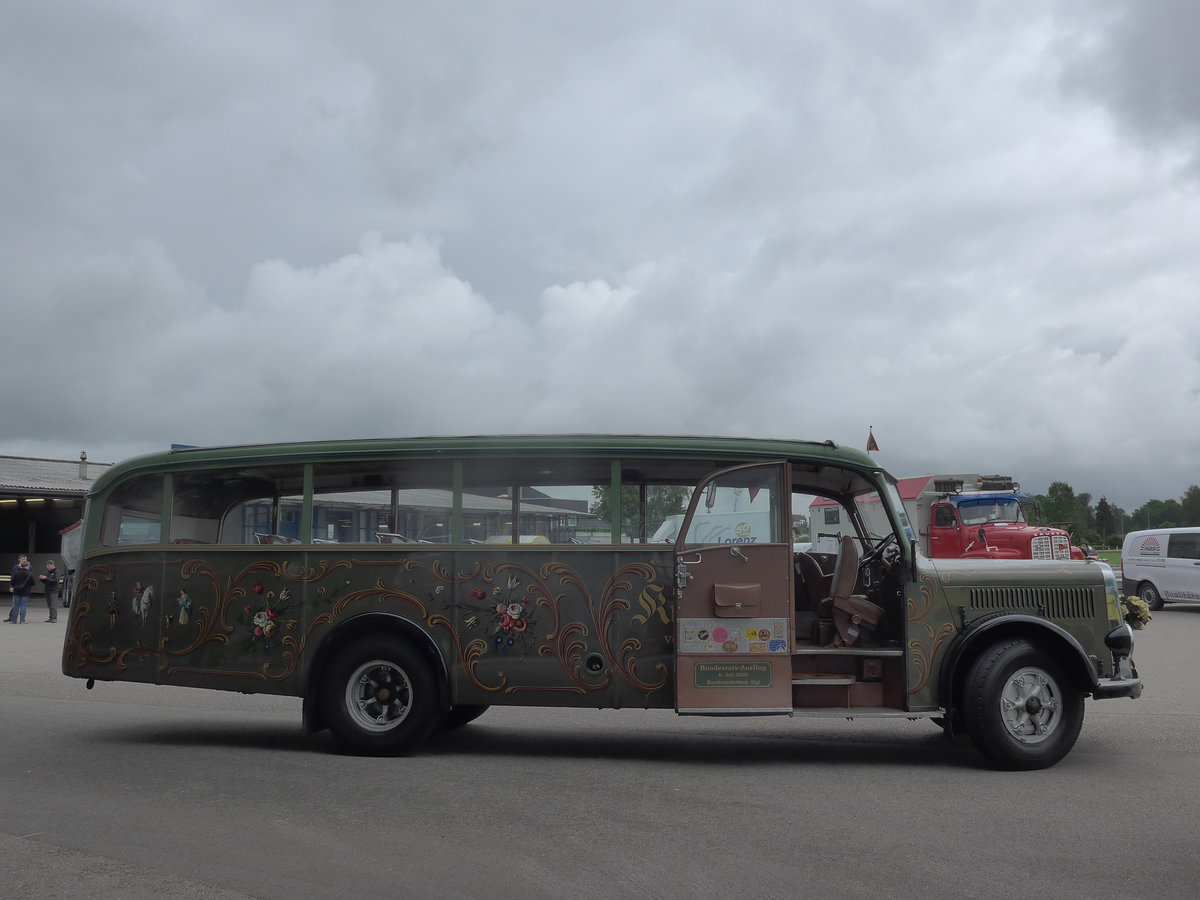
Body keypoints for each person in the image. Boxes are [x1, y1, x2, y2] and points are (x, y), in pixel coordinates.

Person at [4, 554, 36, 624]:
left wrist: (13, 586)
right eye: (23, 559)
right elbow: (33, 582)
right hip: (25, 591)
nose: (25, 560)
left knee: (16, 606)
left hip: (17, 590)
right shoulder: (28, 573)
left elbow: (12, 580)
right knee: (23, 606)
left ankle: (13, 621)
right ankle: (22, 621)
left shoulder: (17, 573)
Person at [39, 559, 61, 623]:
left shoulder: (57, 571)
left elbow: (55, 580)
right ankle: (51, 617)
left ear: (52, 565)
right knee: (49, 604)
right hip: (48, 590)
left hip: (54, 590)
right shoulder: (48, 572)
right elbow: (47, 581)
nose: (47, 567)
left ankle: (54, 618)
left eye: (48, 566)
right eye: (47, 566)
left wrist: (46, 578)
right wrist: (42, 579)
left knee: (53, 604)